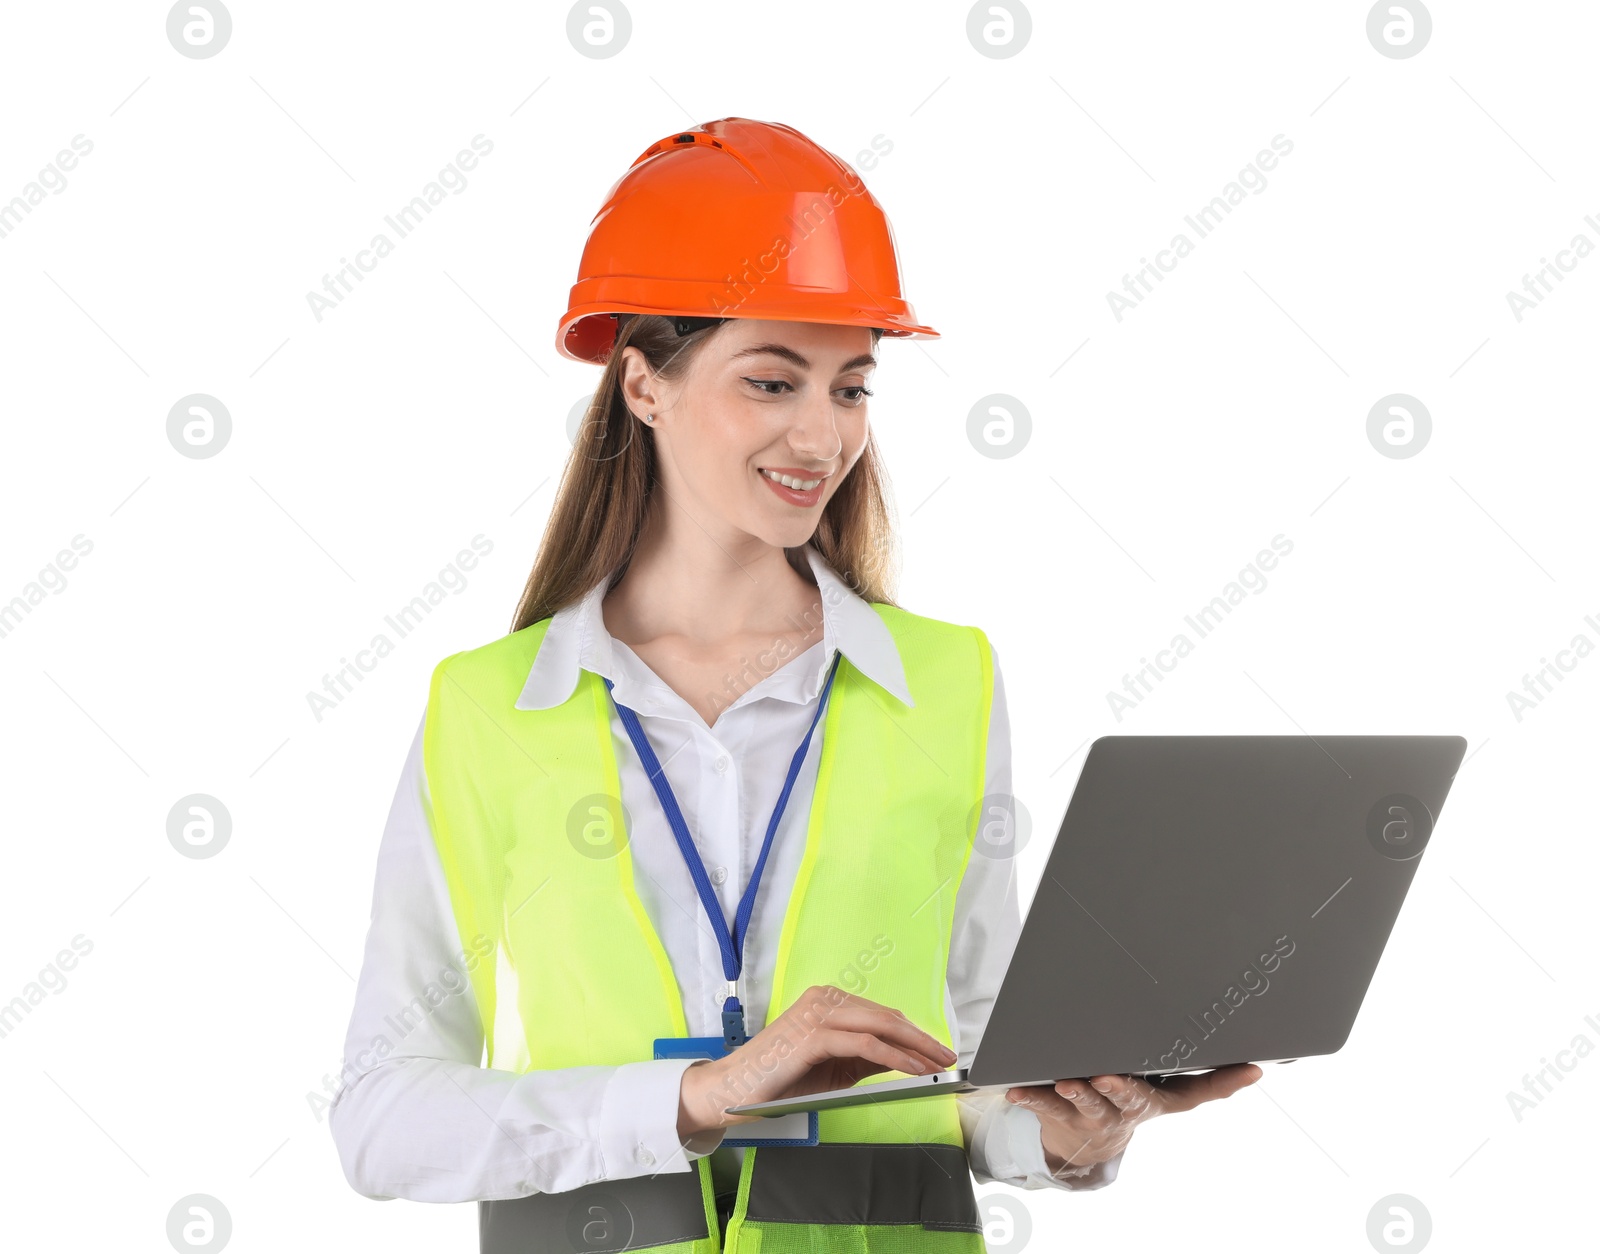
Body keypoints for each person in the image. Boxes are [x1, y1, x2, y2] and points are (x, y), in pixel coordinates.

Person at [329, 117, 1260, 1252]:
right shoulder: (486, 709)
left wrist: (1067, 1137)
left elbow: (965, 1058)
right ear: (642, 387)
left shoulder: (944, 684)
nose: (821, 435)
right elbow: (380, 1117)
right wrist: (692, 1100)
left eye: (853, 388)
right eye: (772, 381)